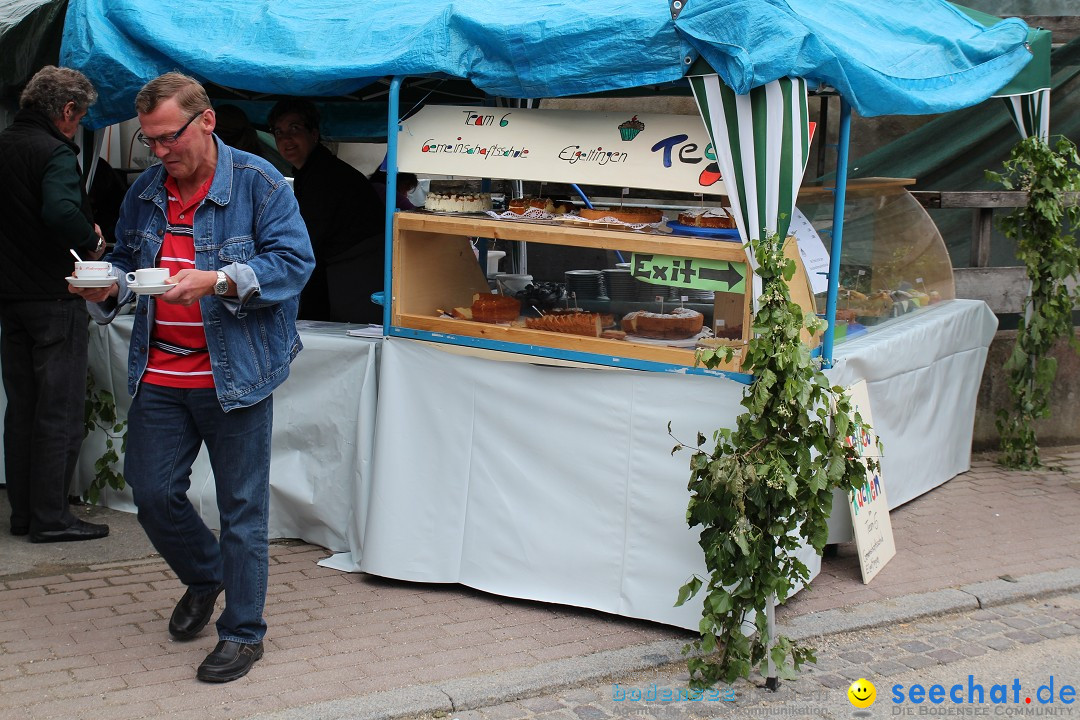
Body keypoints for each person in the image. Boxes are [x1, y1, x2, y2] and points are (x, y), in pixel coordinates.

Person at [68, 72, 314, 683]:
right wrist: (108, 284)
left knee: (241, 510)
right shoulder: (147, 189)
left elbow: (293, 263)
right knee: (151, 494)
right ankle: (207, 576)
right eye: (150, 141)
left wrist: (221, 279)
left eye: (167, 137)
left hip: (236, 375)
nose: (159, 152)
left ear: (204, 120)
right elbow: (129, 259)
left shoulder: (260, 184)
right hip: (162, 370)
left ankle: (243, 633)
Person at [0, 66, 110, 543]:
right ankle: (52, 518)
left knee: (21, 407)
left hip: (10, 295)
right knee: (58, 410)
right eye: (80, 117)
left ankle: (23, 513)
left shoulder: (4, 143)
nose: (79, 125)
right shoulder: (55, 151)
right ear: (66, 111)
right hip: (53, 294)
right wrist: (93, 242)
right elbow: (60, 210)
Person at [268, 98, 385, 323]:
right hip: (343, 269)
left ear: (314, 133)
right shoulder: (309, 172)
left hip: (360, 272)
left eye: (294, 128)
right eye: (279, 132)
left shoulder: (325, 175)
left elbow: (305, 242)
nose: (286, 139)